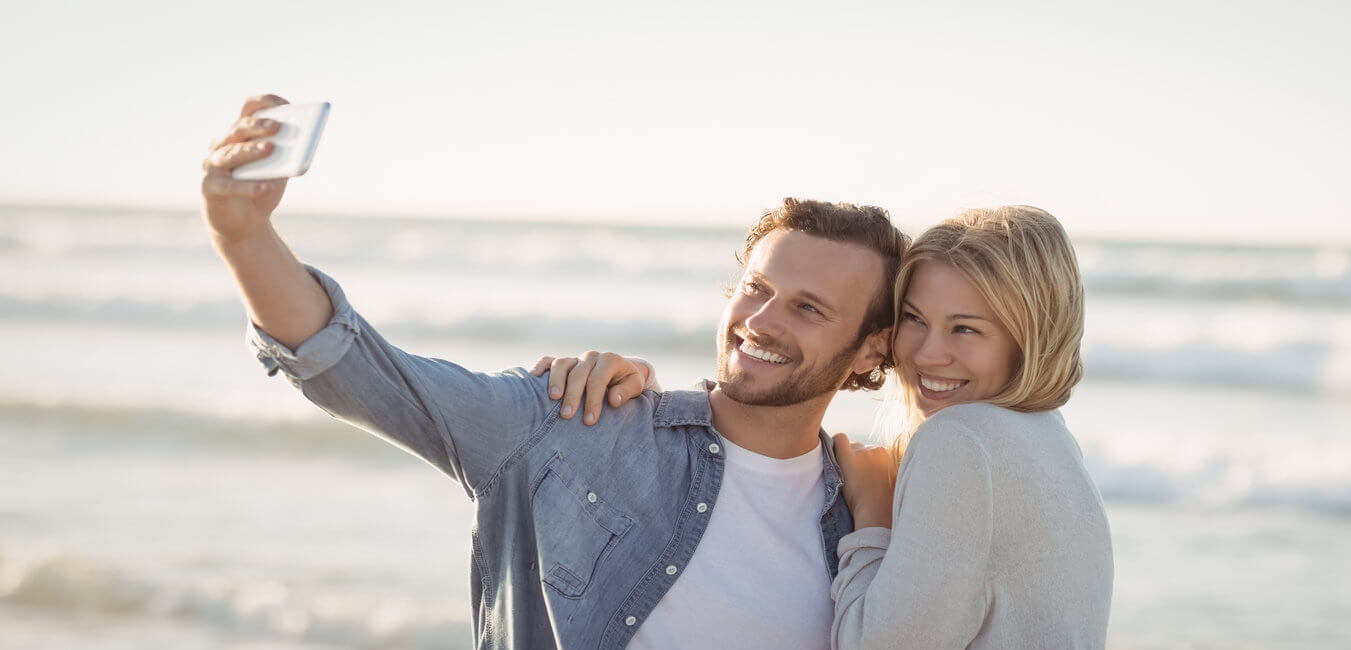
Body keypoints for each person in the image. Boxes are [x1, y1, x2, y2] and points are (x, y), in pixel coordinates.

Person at [200, 94, 910, 650]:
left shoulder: (871, 515)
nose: (760, 322)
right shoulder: (572, 422)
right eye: (757, 289)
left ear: (872, 348)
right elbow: (352, 369)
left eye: (808, 308)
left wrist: (878, 515)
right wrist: (242, 234)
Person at [561, 206, 1113, 648]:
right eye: (915, 320)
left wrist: (871, 513)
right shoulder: (1052, 442)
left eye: (965, 330)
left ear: (1030, 338)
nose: (926, 354)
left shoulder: (960, 439)